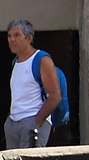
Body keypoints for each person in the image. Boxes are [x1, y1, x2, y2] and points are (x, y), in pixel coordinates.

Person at [4, 19, 62, 149]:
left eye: (17, 35)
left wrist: (36, 122)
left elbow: (55, 95)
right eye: (9, 36)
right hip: (14, 123)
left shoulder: (41, 59)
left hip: (31, 122)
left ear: (29, 38)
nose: (11, 40)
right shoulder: (16, 62)